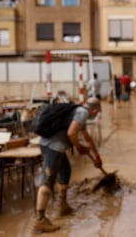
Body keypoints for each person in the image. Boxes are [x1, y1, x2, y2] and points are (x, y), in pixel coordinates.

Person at [33, 97, 103, 234]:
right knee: (48, 181)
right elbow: (71, 132)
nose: (96, 114)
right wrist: (78, 147)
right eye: (97, 111)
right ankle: (40, 220)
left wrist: (97, 156)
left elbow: (87, 138)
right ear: (94, 110)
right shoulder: (83, 113)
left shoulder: (78, 111)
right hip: (53, 147)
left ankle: (63, 206)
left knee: (65, 172)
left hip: (54, 146)